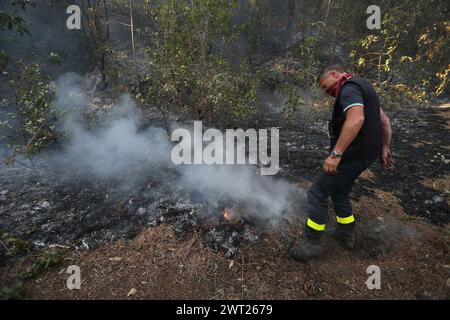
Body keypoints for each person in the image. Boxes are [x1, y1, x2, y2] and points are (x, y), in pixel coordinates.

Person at [291, 65, 394, 261]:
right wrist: (385, 148)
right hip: (367, 154)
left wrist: (336, 154)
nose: (326, 91)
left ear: (333, 74)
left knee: (317, 193)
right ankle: (346, 233)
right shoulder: (363, 85)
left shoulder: (348, 89)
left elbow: (356, 120)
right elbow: (385, 121)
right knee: (339, 191)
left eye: (325, 86)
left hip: (352, 155)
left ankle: (312, 243)